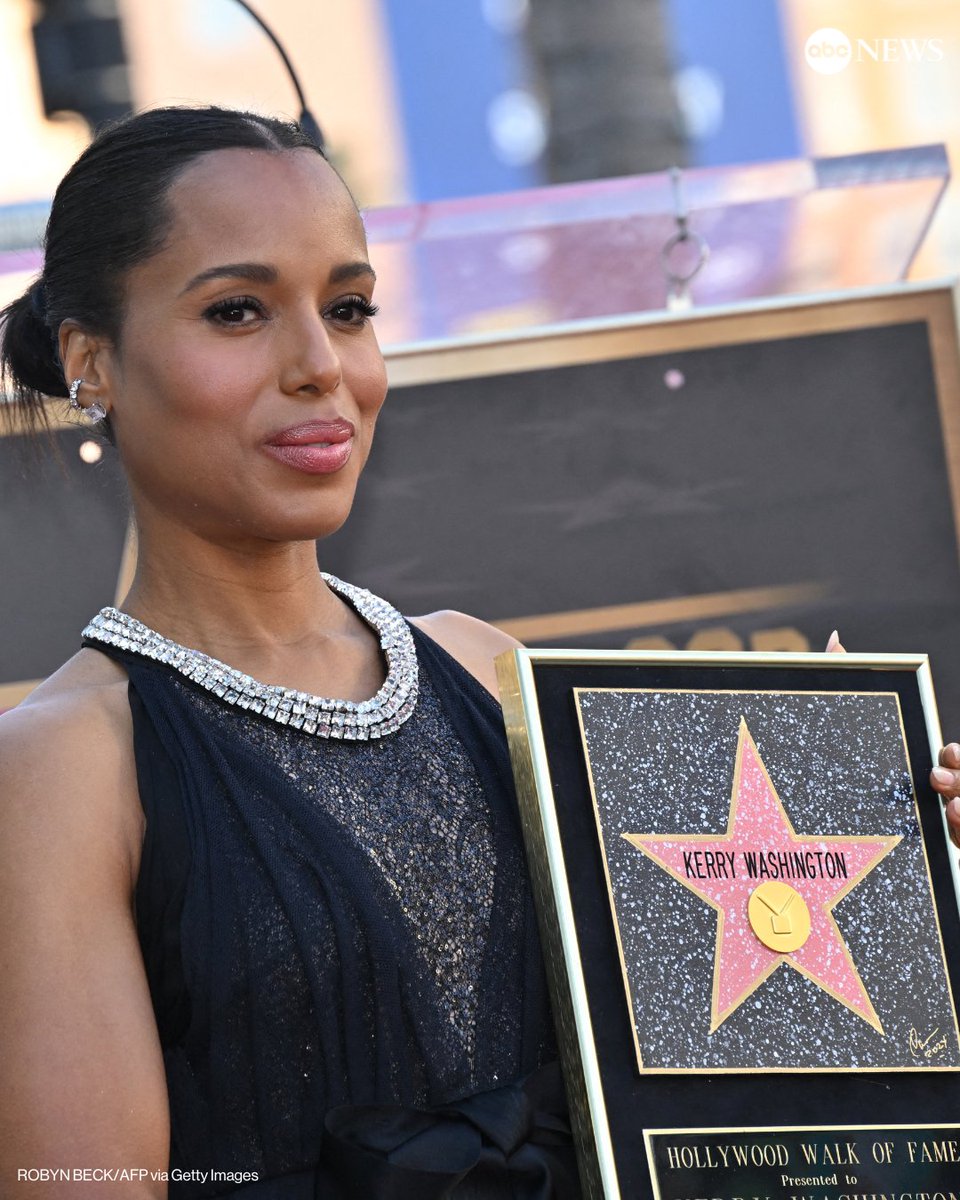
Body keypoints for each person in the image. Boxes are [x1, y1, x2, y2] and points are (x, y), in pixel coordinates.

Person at [2, 105, 960, 1200]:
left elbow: (752, 1102)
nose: (321, 365)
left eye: (351, 308)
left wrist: (901, 871)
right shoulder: (58, 771)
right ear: (92, 361)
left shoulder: (487, 675)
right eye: (237, 311)